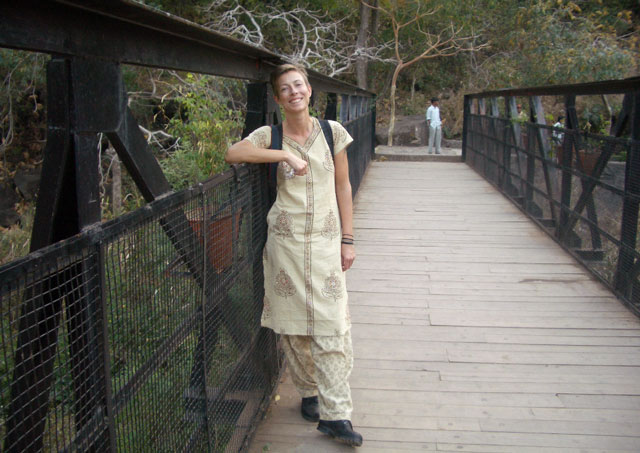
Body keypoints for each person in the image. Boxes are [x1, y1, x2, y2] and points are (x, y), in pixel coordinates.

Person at [225, 64, 363, 447]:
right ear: (277, 98)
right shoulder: (270, 135)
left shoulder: (333, 132)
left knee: (333, 326)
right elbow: (233, 153)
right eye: (285, 89)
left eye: (298, 85)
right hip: (285, 246)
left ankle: (337, 415)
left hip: (326, 245)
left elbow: (344, 186)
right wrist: (283, 155)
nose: (294, 92)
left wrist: (348, 239)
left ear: (309, 89)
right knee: (294, 327)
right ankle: (309, 392)